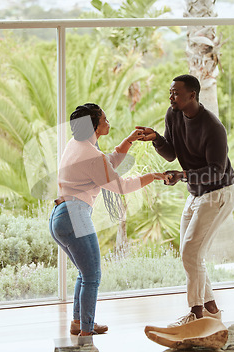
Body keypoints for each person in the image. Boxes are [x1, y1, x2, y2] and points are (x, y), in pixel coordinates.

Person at [49, 103, 169, 336]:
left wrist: (129, 140)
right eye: (104, 119)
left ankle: (79, 323)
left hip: (59, 216)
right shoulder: (92, 155)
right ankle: (85, 334)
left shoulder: (76, 145)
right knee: (92, 275)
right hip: (76, 216)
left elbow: (108, 163)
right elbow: (120, 186)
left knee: (85, 273)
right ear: (94, 125)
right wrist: (153, 176)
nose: (107, 121)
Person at [137, 74, 234, 327]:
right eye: (170, 92)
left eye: (176, 93)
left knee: (190, 252)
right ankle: (212, 311)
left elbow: (216, 169)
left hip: (219, 193)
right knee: (192, 255)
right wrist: (157, 139)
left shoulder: (213, 127)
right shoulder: (173, 115)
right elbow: (172, 153)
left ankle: (196, 314)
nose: (171, 97)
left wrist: (183, 175)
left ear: (192, 95)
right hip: (196, 192)